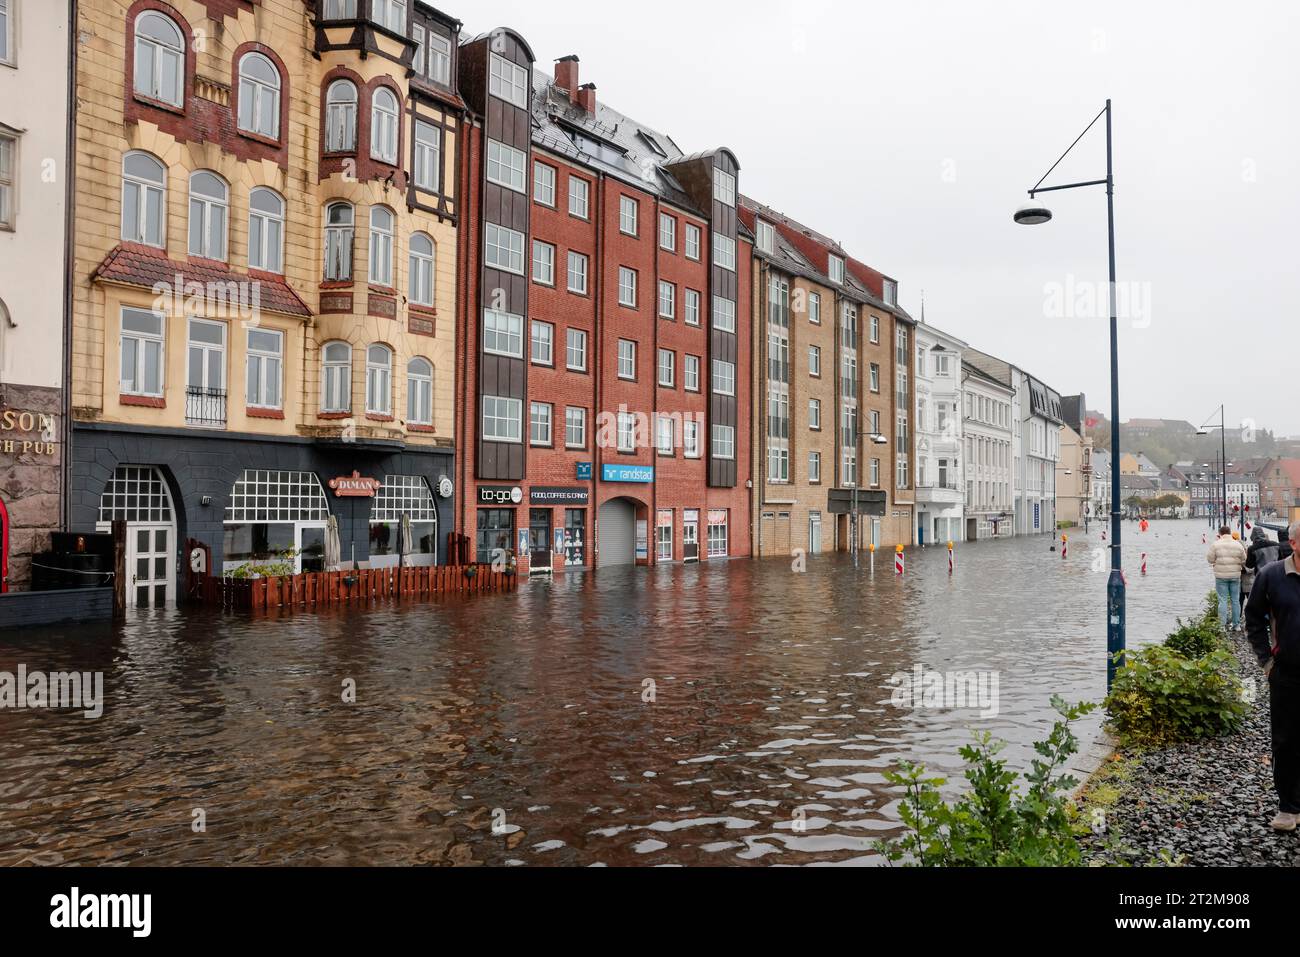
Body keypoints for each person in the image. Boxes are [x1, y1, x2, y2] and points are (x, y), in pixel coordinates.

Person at [1245, 522, 1300, 831]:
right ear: (1294, 543)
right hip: (1287, 674)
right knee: (1285, 741)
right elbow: (1253, 619)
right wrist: (1267, 662)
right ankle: (1288, 808)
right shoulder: (1272, 576)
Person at [1207, 525, 1248, 632]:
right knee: (1235, 600)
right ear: (1230, 533)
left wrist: (1216, 562)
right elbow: (1244, 560)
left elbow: (1210, 559)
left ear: (1220, 533)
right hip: (1235, 576)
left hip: (1221, 576)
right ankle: (1236, 625)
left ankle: (1222, 626)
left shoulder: (1215, 545)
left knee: (1223, 600)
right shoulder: (1238, 545)